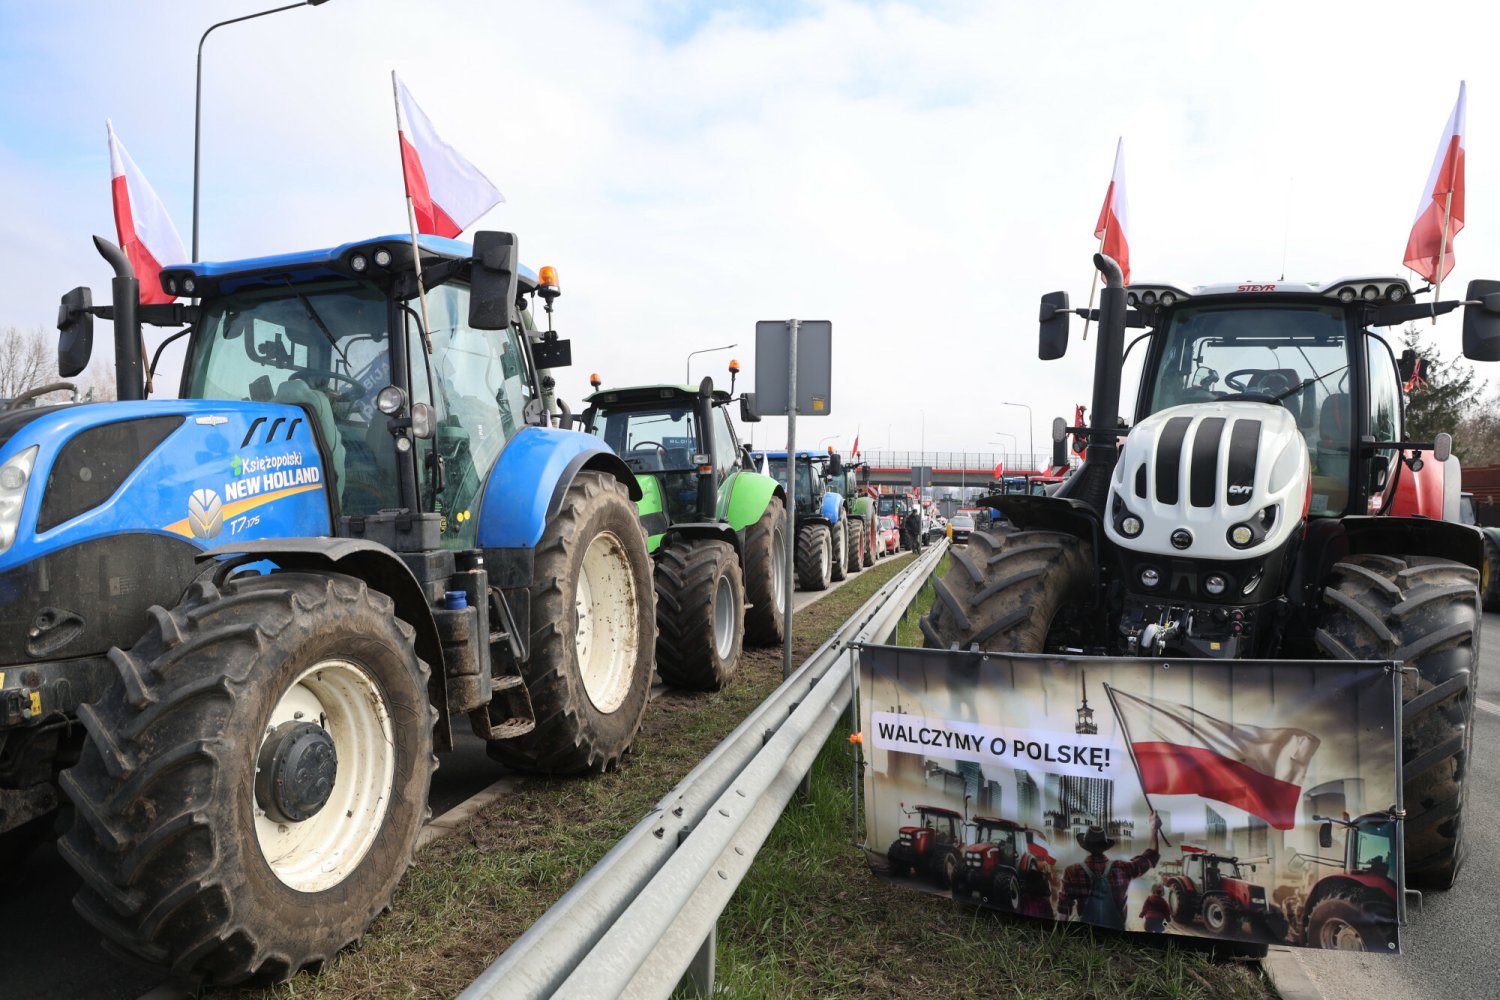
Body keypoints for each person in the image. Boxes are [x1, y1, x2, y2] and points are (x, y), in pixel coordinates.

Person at [1058, 812, 1162, 931]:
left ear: (1085, 847)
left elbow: (1063, 912)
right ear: (1104, 847)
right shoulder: (1122, 868)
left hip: (1086, 934)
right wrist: (1154, 829)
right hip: (1117, 934)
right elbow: (1150, 857)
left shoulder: (1072, 872)